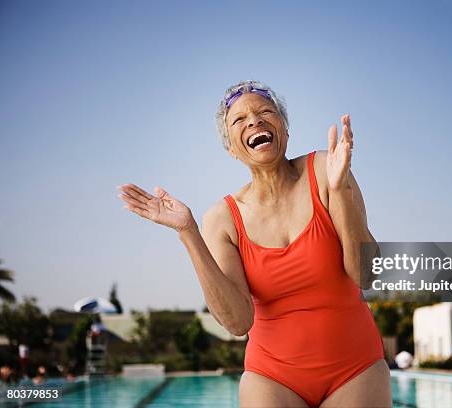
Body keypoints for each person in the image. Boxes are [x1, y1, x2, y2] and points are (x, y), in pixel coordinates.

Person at [118, 80, 391, 407]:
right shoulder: (222, 218)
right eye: (239, 119)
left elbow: (368, 277)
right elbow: (237, 322)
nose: (255, 121)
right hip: (273, 377)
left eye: (265, 112)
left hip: (355, 368)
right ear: (232, 148)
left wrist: (341, 190)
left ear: (285, 131)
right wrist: (188, 232)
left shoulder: (326, 168)